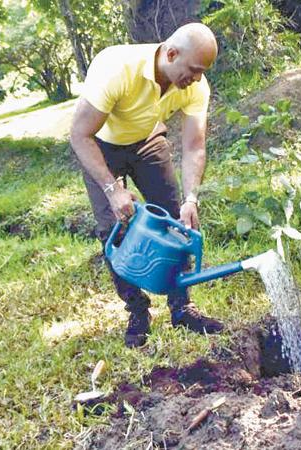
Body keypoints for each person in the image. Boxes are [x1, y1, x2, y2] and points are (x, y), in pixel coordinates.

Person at [69, 22, 224, 348]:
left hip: (147, 139)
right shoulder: (117, 68)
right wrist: (113, 189)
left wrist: (191, 198)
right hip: (102, 143)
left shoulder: (195, 85)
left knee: (175, 221)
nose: (196, 79)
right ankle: (137, 311)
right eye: (194, 70)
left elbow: (195, 145)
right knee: (115, 226)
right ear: (171, 53)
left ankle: (182, 308)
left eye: (201, 73)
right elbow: (79, 135)